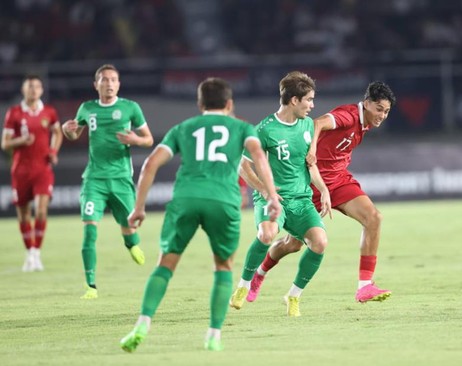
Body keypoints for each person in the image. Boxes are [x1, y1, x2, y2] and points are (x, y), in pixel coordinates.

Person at [119, 77, 281, 352]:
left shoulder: (184, 128)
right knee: (223, 267)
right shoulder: (243, 128)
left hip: (186, 199)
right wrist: (272, 196)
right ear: (230, 104)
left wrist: (138, 207)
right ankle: (213, 335)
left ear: (200, 104)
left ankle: (142, 324)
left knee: (165, 265)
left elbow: (150, 164)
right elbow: (260, 159)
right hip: (223, 201)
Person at [242, 81, 397, 304]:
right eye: (379, 109)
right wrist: (312, 149)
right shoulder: (349, 115)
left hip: (339, 181)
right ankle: (260, 273)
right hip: (312, 184)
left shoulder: (366, 123)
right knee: (292, 244)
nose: (382, 115)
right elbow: (319, 123)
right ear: (366, 104)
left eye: (387, 111)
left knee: (373, 218)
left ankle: (365, 286)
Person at [229, 71, 332, 317]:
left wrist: (324, 190)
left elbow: (311, 164)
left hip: (301, 199)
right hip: (272, 198)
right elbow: (243, 165)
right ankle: (243, 285)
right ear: (294, 100)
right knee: (267, 233)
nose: (312, 105)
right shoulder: (264, 130)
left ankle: (293, 296)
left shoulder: (307, 126)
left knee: (320, 243)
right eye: (308, 99)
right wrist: (265, 190)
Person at [61, 64, 154, 299]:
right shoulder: (87, 108)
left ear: (119, 84)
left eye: (113, 80)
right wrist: (66, 130)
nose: (109, 84)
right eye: (104, 80)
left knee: (130, 226)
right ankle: (90, 285)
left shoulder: (130, 108)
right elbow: (74, 133)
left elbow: (149, 139)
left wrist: (134, 139)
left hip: (121, 178)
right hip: (94, 179)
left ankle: (131, 243)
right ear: (96, 85)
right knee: (90, 230)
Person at [2, 75, 62, 272]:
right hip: (20, 171)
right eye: (29, 87)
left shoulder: (49, 112)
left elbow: (58, 132)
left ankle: (36, 253)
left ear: (42, 90)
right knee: (24, 214)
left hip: (42, 169)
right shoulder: (14, 113)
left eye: (36, 87)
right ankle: (29, 252)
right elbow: (5, 143)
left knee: (41, 209)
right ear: (23, 90)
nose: (33, 90)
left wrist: (53, 151)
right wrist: (21, 141)